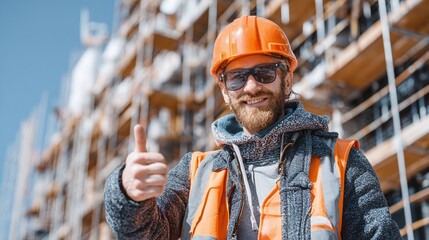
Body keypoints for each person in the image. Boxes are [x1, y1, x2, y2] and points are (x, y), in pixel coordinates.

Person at [104, 15, 401, 239]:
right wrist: (130, 195)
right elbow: (146, 233)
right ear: (224, 90)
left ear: (287, 80)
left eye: (265, 72)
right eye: (237, 77)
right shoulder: (195, 173)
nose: (251, 86)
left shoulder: (341, 162)